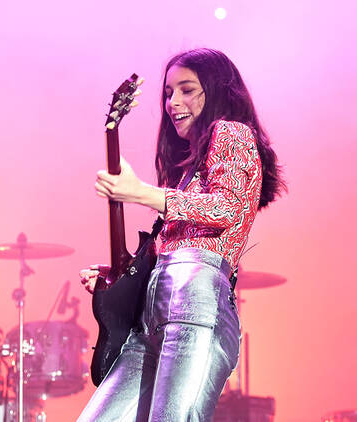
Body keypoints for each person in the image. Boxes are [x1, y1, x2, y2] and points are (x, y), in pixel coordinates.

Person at [77, 48, 286, 421]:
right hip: (148, 325)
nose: (173, 102)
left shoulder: (232, 132)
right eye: (168, 93)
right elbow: (168, 250)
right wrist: (114, 279)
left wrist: (139, 192)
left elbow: (228, 207)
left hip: (195, 309)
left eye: (187, 89)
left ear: (218, 90)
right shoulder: (184, 174)